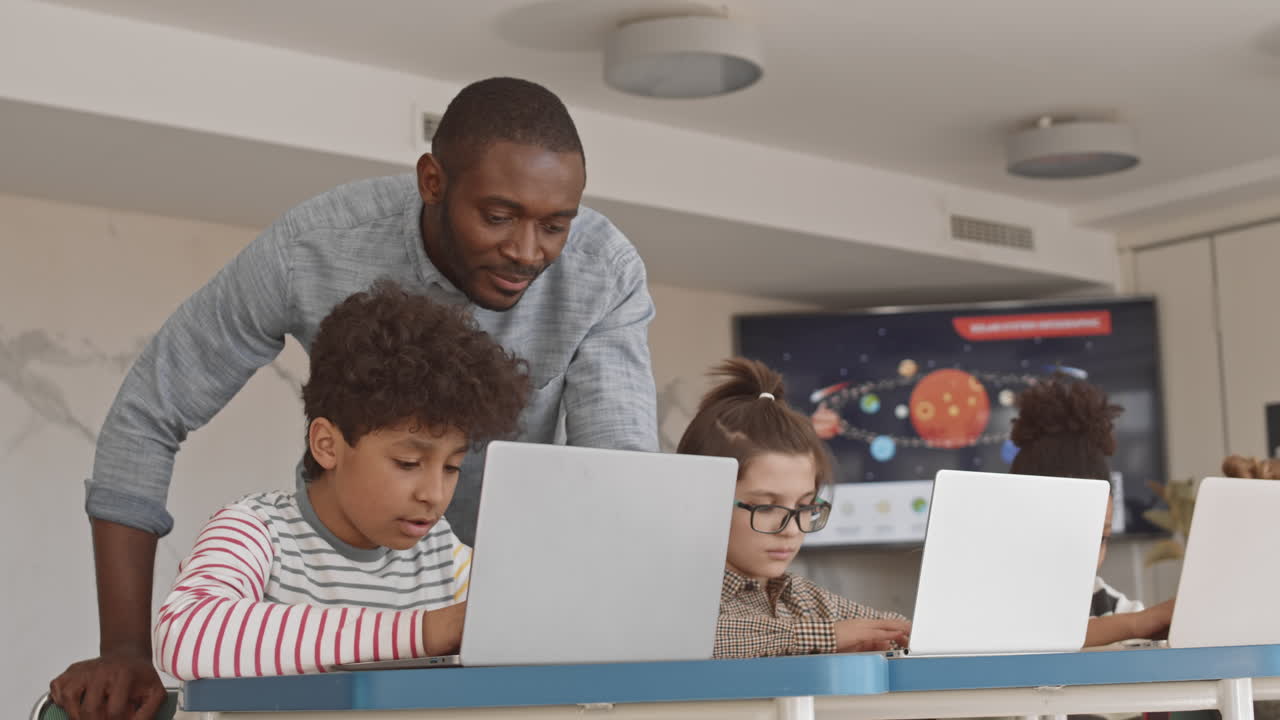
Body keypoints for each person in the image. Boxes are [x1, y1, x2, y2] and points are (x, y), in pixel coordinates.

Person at [51, 77, 658, 718]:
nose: (527, 251)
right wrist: (123, 646)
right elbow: (149, 411)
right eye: (499, 217)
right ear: (432, 182)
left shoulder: (604, 270)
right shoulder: (263, 536)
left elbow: (618, 481)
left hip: (464, 592)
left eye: (556, 226)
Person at [154, 280, 529, 679]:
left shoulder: (441, 555)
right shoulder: (256, 531)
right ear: (327, 445)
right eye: (407, 462)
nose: (434, 495)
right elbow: (185, 638)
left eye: (451, 467)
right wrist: (424, 632)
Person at [677, 358, 911, 658]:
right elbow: (698, 638)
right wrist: (826, 636)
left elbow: (890, 628)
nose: (790, 530)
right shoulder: (673, 597)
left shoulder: (804, 599)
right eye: (764, 507)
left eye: (804, 506)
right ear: (701, 500)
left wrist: (910, 636)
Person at [1008, 375, 1174, 647]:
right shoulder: (983, 600)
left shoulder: (1110, 605)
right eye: (1063, 535)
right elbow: (1018, 636)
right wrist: (1135, 625)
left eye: (1100, 539)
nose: (1087, 558)